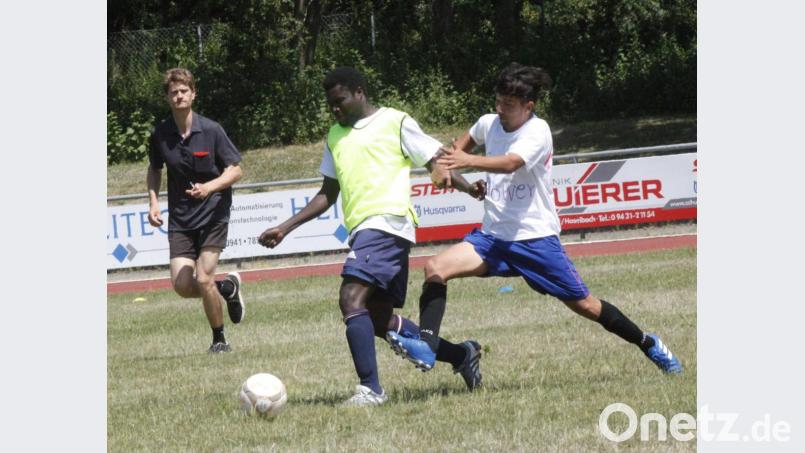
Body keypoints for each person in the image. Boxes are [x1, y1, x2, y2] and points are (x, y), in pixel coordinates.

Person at [389, 63, 683, 377]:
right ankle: (428, 346)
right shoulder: (488, 123)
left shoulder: (537, 131)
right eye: (498, 101)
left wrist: (466, 160)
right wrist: (451, 172)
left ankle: (647, 342)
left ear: (529, 107)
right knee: (435, 268)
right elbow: (453, 152)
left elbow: (510, 163)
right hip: (492, 238)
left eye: (509, 106)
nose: (500, 109)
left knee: (586, 306)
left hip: (535, 239)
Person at [258, 67, 486, 407]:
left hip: (387, 224)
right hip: (364, 232)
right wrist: (285, 228)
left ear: (360, 92)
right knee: (378, 319)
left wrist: (469, 188)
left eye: (341, 101)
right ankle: (461, 355)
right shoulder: (335, 136)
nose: (335, 109)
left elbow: (435, 161)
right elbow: (327, 193)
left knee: (351, 298)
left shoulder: (394, 121)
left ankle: (371, 390)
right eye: (330, 104)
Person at [147, 68, 246, 354]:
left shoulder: (212, 130)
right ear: (167, 98)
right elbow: (154, 169)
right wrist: (153, 201)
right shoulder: (160, 134)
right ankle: (227, 288)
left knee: (203, 278)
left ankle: (219, 340)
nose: (179, 96)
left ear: (193, 94)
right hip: (181, 218)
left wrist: (210, 187)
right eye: (173, 92)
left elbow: (235, 170)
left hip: (213, 213)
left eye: (183, 91)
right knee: (182, 285)